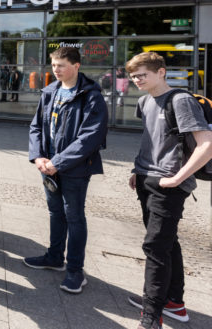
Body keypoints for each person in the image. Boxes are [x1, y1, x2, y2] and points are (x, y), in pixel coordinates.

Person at [124, 52, 212, 329]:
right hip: (146, 179)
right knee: (167, 242)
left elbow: (206, 145)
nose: (136, 80)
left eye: (142, 75)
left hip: (168, 185)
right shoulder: (144, 100)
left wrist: (177, 179)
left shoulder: (181, 100)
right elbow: (152, 140)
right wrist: (136, 171)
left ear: (161, 72)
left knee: (155, 247)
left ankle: (152, 316)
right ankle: (174, 302)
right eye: (133, 76)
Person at [25, 46, 108, 294]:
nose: (56, 70)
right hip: (47, 166)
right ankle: (53, 257)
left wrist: (56, 162)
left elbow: (89, 137)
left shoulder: (90, 96)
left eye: (61, 65)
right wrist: (38, 156)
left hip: (74, 169)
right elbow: (36, 126)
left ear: (76, 66)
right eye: (53, 65)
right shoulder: (50, 92)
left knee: (74, 217)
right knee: (55, 213)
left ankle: (75, 271)